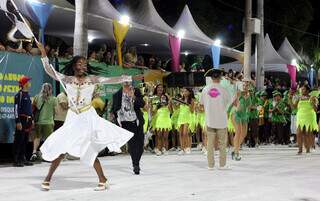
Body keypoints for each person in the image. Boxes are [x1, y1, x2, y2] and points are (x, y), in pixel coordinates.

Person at [36, 42, 140, 191]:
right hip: (72, 118)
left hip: (87, 117)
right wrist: (43, 53)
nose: (83, 66)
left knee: (89, 150)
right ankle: (48, 179)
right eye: (79, 63)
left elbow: (111, 80)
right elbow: (49, 71)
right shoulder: (67, 79)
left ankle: (102, 180)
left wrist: (126, 77)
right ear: (74, 66)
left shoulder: (92, 79)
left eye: (85, 64)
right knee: (61, 147)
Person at [200, 69, 231, 170]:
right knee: (222, 143)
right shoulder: (224, 90)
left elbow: (201, 104)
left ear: (212, 78)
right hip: (221, 120)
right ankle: (222, 165)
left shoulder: (205, 89)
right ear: (220, 78)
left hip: (210, 120)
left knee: (210, 144)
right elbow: (228, 103)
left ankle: (210, 165)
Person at [111, 83, 145, 175]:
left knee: (140, 145)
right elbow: (114, 108)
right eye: (124, 80)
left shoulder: (136, 91)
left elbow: (142, 104)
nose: (126, 82)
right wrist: (115, 118)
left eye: (128, 80)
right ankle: (136, 164)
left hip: (137, 122)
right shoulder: (117, 94)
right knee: (132, 144)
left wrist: (133, 97)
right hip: (126, 123)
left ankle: (136, 161)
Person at [30, 83, 57, 162]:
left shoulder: (37, 97)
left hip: (38, 122)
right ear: (51, 89)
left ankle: (34, 152)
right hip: (49, 122)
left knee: (37, 138)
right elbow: (55, 112)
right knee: (48, 139)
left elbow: (33, 108)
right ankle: (47, 156)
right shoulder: (54, 99)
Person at [13, 76, 34, 167]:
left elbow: (30, 109)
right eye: (28, 82)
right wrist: (18, 121)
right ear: (24, 84)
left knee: (25, 140)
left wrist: (32, 119)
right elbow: (16, 109)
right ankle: (16, 160)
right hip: (21, 120)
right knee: (19, 140)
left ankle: (23, 158)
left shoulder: (28, 95)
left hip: (28, 120)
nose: (29, 83)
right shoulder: (19, 95)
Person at [291, 85, 318, 154]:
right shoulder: (299, 97)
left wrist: (313, 103)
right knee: (299, 133)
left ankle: (308, 149)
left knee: (307, 133)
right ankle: (300, 149)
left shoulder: (312, 97)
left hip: (309, 116)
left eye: (303, 89)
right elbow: (294, 107)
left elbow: (316, 109)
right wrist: (290, 99)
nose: (301, 90)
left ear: (307, 90)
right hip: (300, 116)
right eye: (301, 89)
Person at [232, 80, 251, 161]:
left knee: (244, 134)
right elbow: (232, 103)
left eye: (246, 86)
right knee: (238, 132)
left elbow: (248, 107)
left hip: (244, 116)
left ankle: (235, 149)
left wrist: (247, 115)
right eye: (243, 85)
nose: (245, 87)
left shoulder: (249, 96)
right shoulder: (238, 93)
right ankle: (236, 153)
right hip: (236, 114)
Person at [151, 85, 172, 155]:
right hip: (157, 118)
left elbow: (171, 110)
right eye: (158, 88)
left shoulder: (166, 97)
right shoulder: (153, 98)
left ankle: (165, 148)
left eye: (161, 88)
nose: (160, 89)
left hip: (166, 117)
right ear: (156, 89)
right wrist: (157, 107)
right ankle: (158, 148)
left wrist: (169, 100)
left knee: (165, 136)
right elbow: (152, 111)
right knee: (158, 135)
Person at [176, 88, 195, 154]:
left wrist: (188, 105)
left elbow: (192, 111)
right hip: (181, 117)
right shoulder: (181, 100)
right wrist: (175, 103)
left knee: (185, 133)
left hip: (188, 117)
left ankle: (187, 147)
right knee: (180, 134)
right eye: (183, 91)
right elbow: (176, 108)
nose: (184, 92)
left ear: (189, 92)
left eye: (186, 91)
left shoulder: (192, 100)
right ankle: (182, 148)